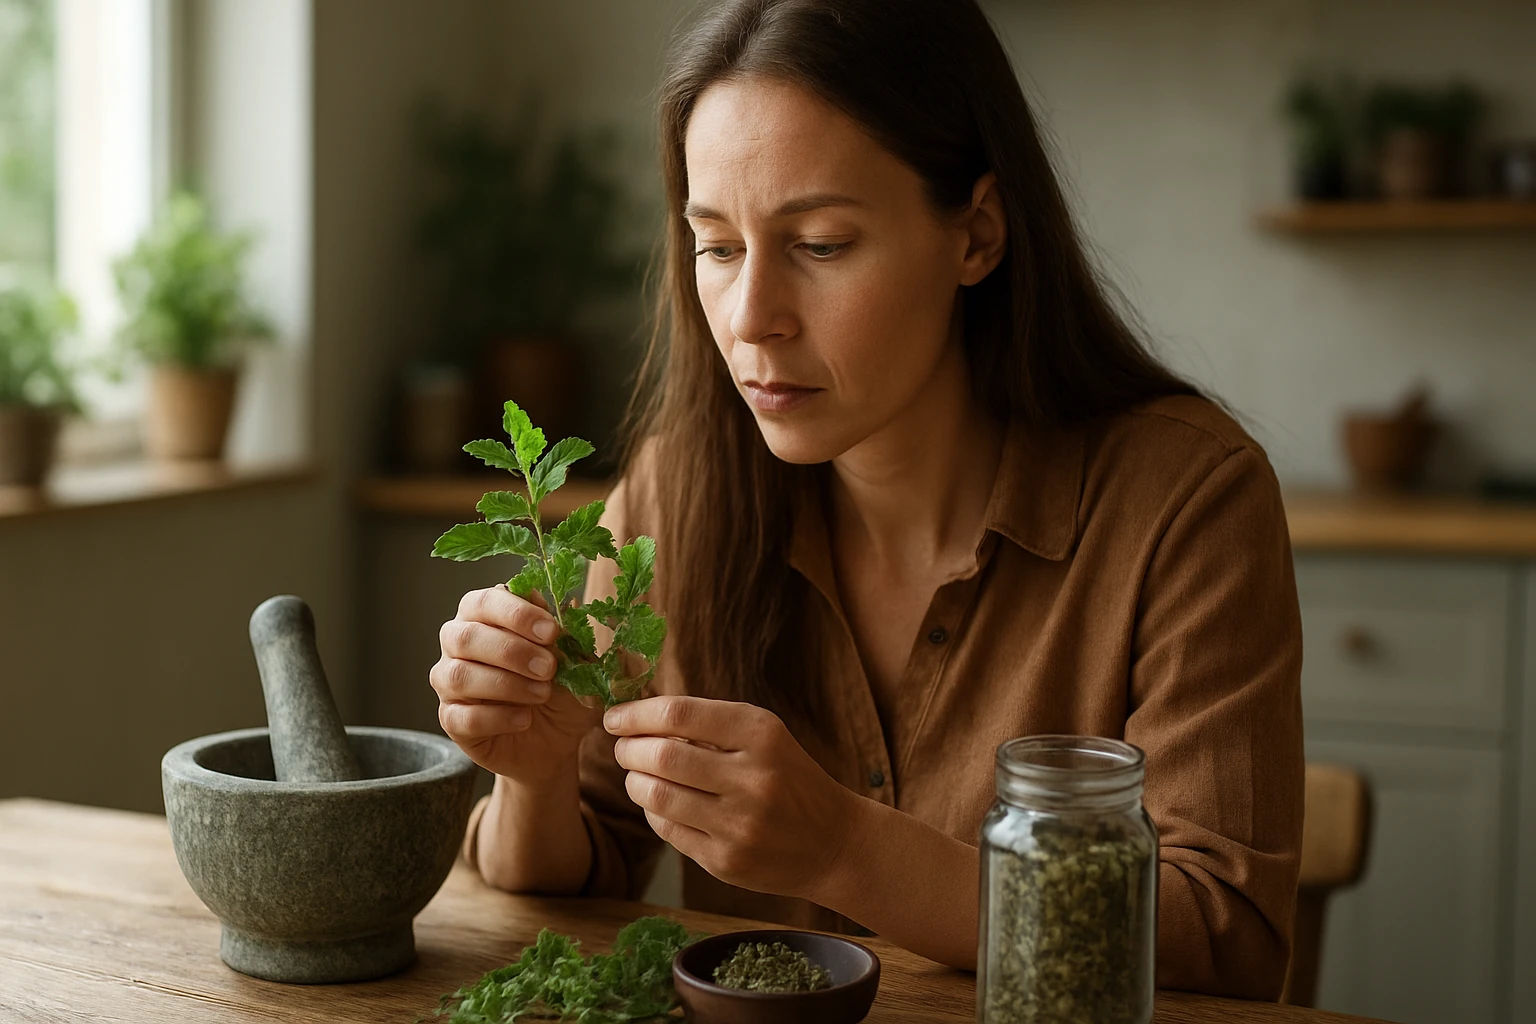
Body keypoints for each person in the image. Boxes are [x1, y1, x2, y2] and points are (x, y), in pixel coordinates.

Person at [431, 0, 1302, 1000]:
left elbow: (1225, 942)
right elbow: (570, 878)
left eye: (821, 245)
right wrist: (532, 775)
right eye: (716, 247)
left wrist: (846, 846)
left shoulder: (1188, 501)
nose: (754, 319)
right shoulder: (672, 493)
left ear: (975, 234)